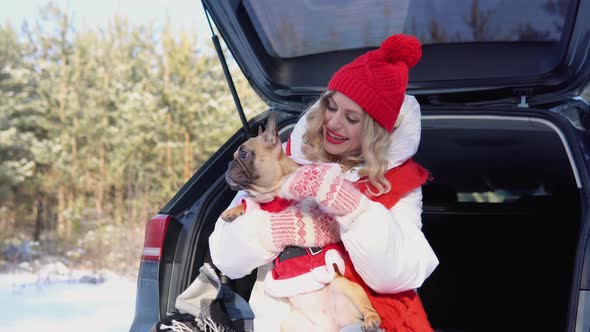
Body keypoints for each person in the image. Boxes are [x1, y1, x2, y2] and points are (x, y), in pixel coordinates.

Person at [209, 34, 439, 332]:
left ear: (373, 131)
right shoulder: (281, 158)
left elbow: (398, 273)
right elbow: (224, 256)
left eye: (351, 118)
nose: (333, 123)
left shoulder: (397, 184)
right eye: (331, 107)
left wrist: (352, 208)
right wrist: (275, 230)